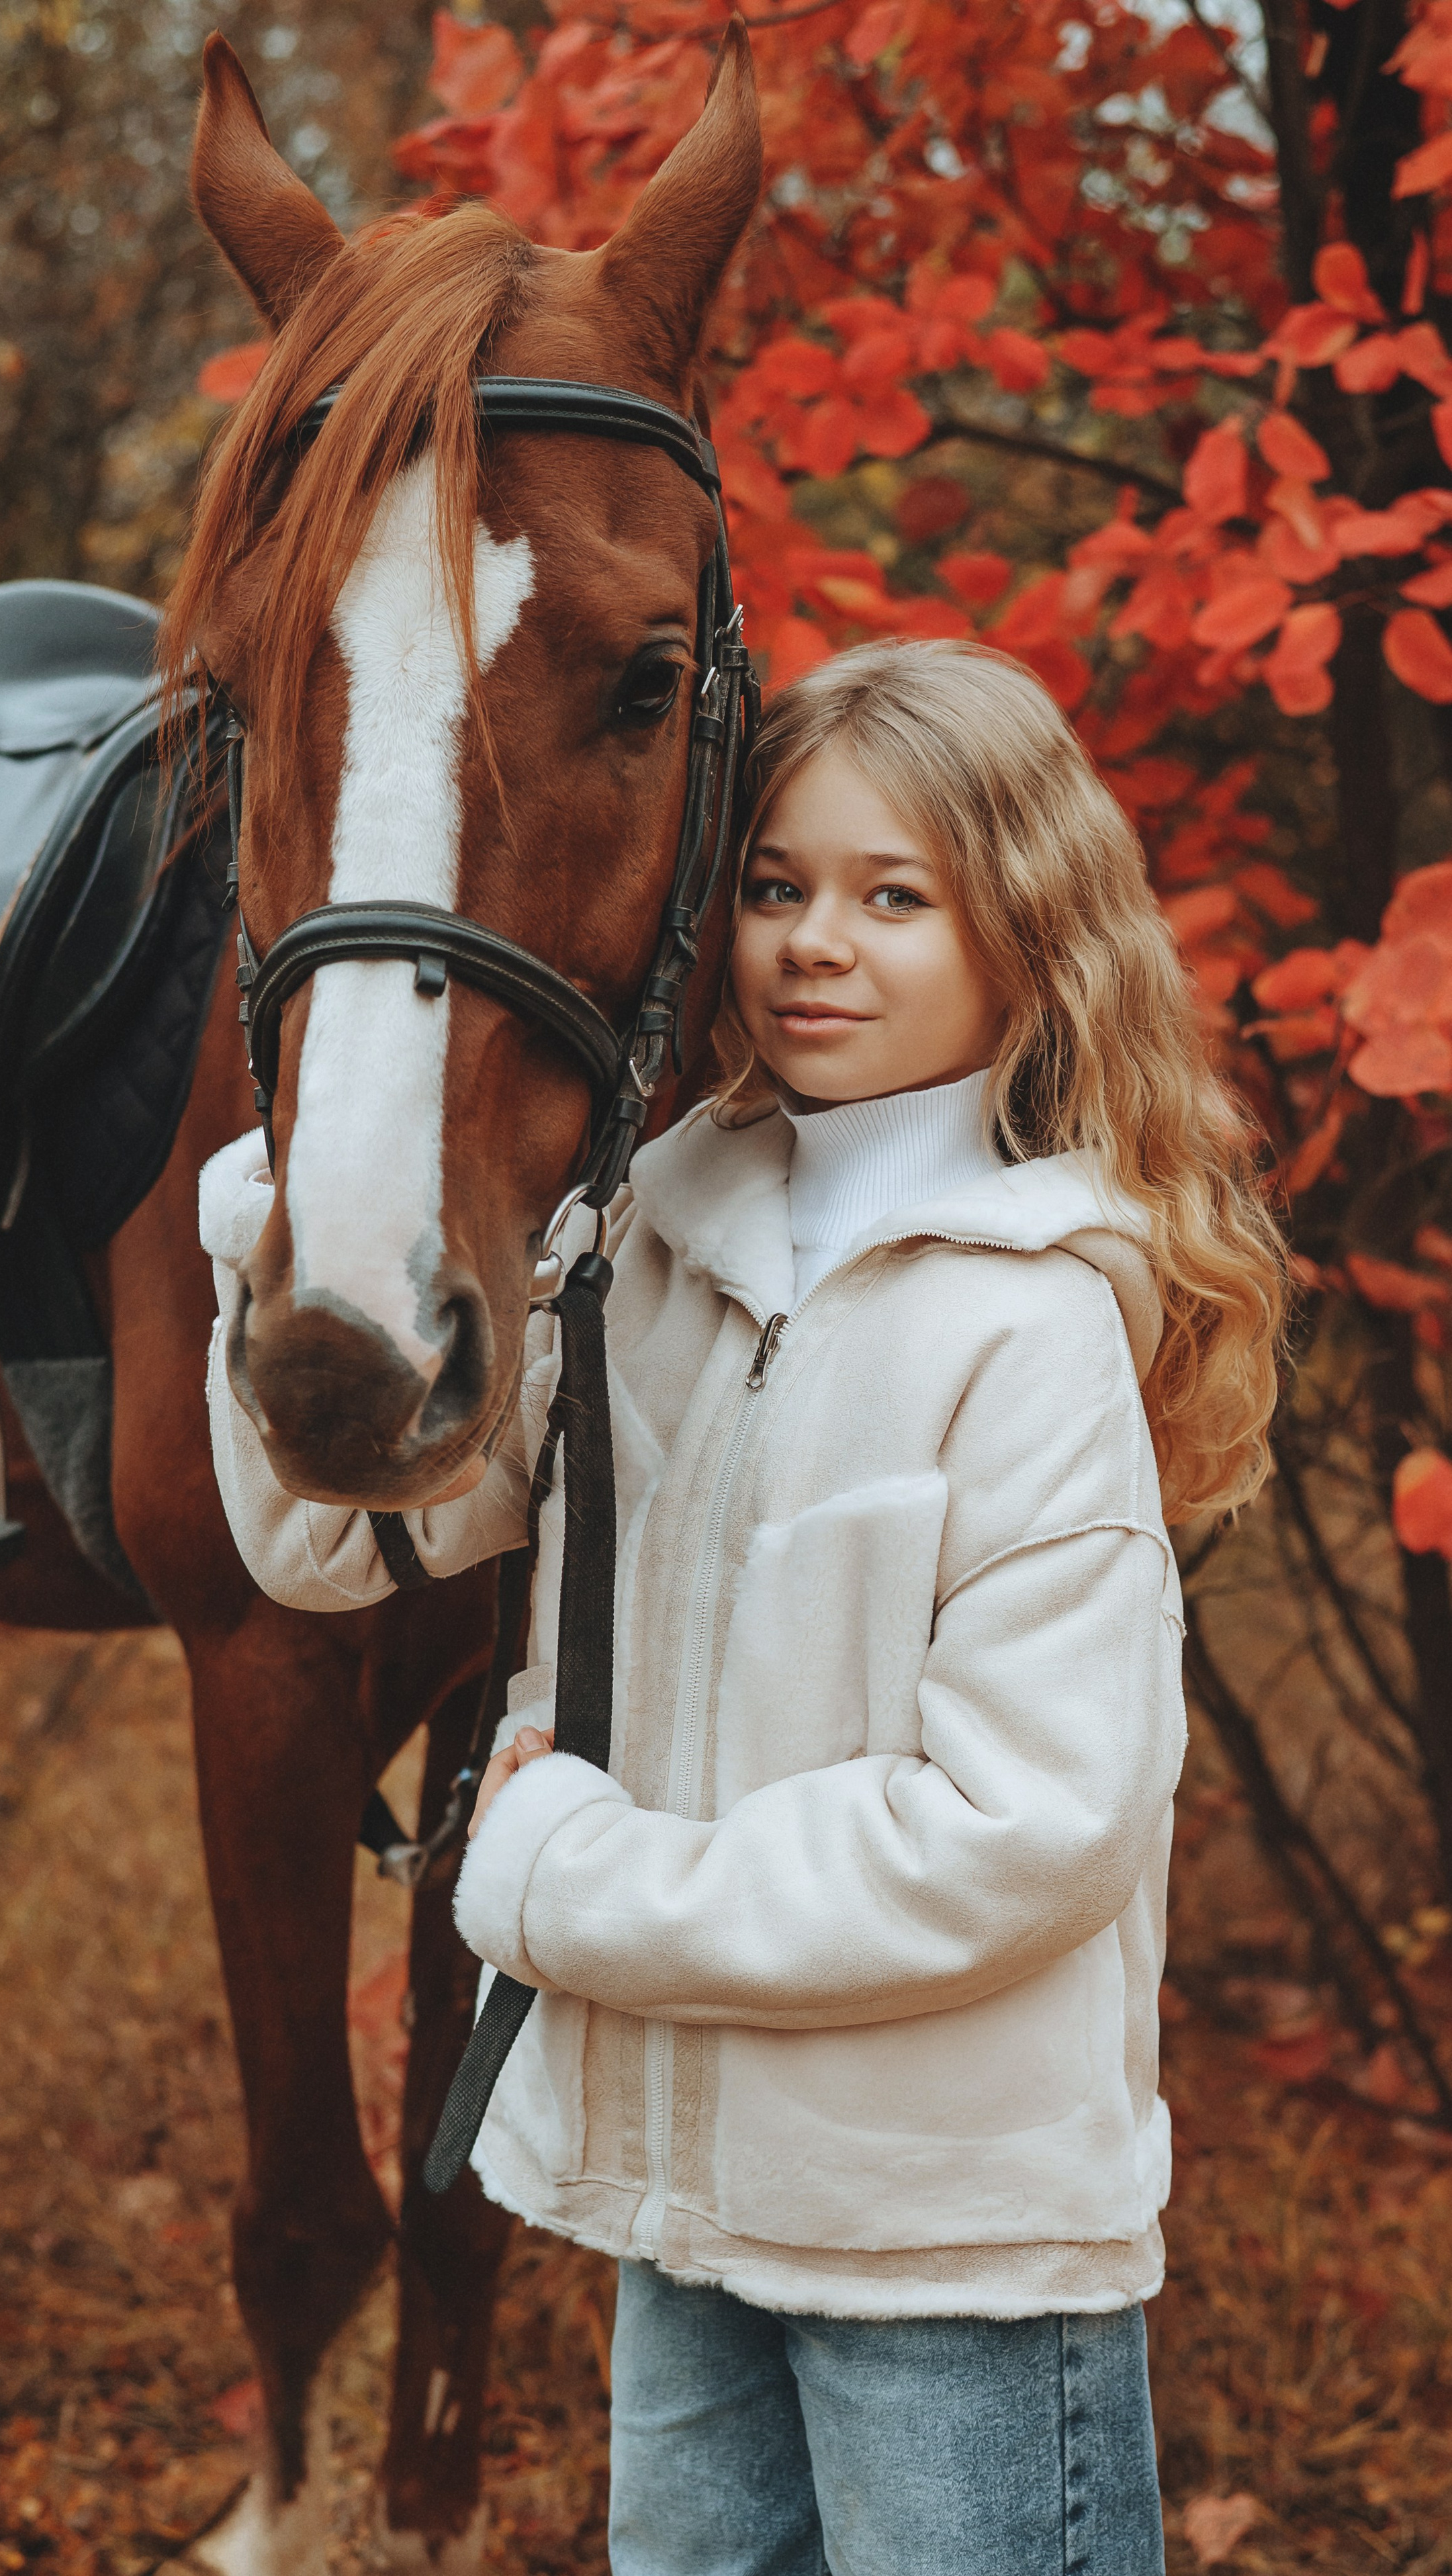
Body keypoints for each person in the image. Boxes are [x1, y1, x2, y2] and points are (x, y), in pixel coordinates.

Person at [199, 637, 1287, 2575]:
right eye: (777, 886)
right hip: (687, 2211)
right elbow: (343, 1544)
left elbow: (1026, 1830)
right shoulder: (654, 1253)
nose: (813, 944)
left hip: (948, 2247)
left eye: (894, 896)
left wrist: (571, 1882)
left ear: (1028, 931)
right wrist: (285, 1261)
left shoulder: (1025, 1324)